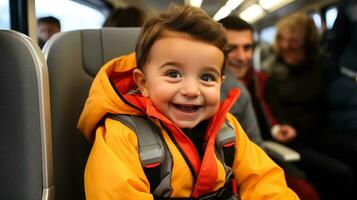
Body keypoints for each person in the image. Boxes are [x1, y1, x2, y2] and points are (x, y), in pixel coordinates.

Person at [77, 5, 298, 199]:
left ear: (221, 83)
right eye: (173, 74)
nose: (192, 90)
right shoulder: (121, 137)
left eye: (206, 78)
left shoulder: (228, 128)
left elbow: (264, 183)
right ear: (143, 83)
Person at [219, 15, 319, 200]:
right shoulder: (211, 89)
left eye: (247, 48)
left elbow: (263, 130)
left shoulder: (260, 80)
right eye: (232, 48)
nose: (241, 57)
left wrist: (277, 128)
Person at [262, 12, 355, 199]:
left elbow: (328, 104)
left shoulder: (323, 68)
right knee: (340, 172)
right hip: (294, 139)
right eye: (282, 40)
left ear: (307, 42)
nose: (286, 46)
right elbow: (273, 112)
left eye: (293, 41)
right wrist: (282, 127)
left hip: (321, 131)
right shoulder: (271, 73)